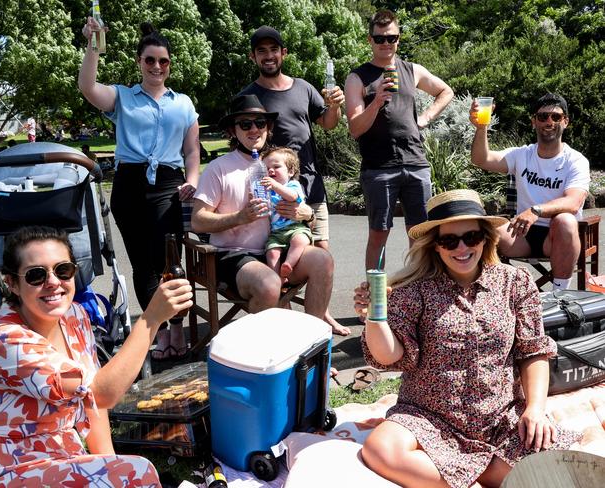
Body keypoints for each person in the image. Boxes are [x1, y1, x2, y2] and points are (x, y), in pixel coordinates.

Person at [353, 189, 581, 488]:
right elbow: (388, 356)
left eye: (471, 237)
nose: (461, 248)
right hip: (428, 416)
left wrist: (535, 409)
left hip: (501, 416)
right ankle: (483, 476)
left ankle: (463, 473)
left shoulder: (514, 282)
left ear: (486, 238)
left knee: (560, 468)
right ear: (435, 246)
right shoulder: (413, 290)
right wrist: (374, 316)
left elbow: (533, 351)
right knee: (380, 449)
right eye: (449, 240)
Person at [0, 226, 193, 486]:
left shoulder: (74, 316)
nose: (54, 282)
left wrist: (109, 462)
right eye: (36, 275)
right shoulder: (2, 341)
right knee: (138, 472)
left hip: (52, 454)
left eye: (62, 270)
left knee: (126, 472)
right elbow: (102, 392)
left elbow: (92, 402)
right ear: (11, 283)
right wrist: (150, 319)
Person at [78, 19, 200, 360]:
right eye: (150, 60)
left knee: (170, 263)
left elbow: (192, 151)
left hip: (169, 187)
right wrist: (92, 45)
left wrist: (193, 180)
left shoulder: (184, 103)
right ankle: (158, 334)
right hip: (130, 186)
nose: (157, 67)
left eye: (163, 61)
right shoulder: (123, 97)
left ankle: (177, 330)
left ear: (169, 65)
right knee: (143, 267)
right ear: (139, 62)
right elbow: (88, 87)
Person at [238, 26, 350, 335]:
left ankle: (321, 315)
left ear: (283, 53)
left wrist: (336, 105)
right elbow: (243, 141)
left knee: (321, 253)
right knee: (280, 253)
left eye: (274, 49)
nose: (269, 55)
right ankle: (287, 322)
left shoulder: (303, 87)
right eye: (261, 51)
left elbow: (328, 123)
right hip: (274, 196)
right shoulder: (249, 96)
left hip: (311, 186)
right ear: (253, 56)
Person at [192, 94, 335, 328]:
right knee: (269, 283)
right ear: (232, 130)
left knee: (322, 260)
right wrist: (239, 217)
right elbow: (198, 221)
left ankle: (310, 345)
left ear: (268, 128)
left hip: (279, 247)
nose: (254, 130)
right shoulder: (219, 168)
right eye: (245, 124)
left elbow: (299, 203)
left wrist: (306, 214)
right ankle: (265, 357)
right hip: (234, 255)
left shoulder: (275, 164)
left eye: (260, 123)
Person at [344, 9, 454, 271]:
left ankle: (415, 296)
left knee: (420, 235)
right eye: (380, 38)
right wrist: (377, 101)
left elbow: (445, 91)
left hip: (415, 163)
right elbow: (355, 128)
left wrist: (425, 117)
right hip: (379, 167)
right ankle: (375, 302)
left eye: (391, 38)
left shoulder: (411, 70)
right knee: (379, 235)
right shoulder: (357, 77)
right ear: (370, 40)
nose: (386, 44)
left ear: (399, 39)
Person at [469, 92, 590, 290]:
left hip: (558, 237)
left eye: (556, 117)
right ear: (534, 122)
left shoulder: (575, 160)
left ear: (566, 122)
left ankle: (559, 295)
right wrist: (482, 128)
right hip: (521, 233)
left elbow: (574, 202)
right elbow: (481, 160)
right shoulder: (522, 154)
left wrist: (535, 211)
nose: (549, 121)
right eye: (542, 117)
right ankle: (492, 294)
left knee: (565, 220)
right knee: (483, 230)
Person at [261, 146, 313, 279]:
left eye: (276, 167)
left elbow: (293, 197)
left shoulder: (292, 185)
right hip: (276, 233)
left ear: (290, 171)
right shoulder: (265, 190)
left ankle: (288, 264)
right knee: (272, 253)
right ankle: (276, 278)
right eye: (266, 169)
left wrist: (275, 185)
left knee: (300, 241)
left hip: (295, 228)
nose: (270, 170)